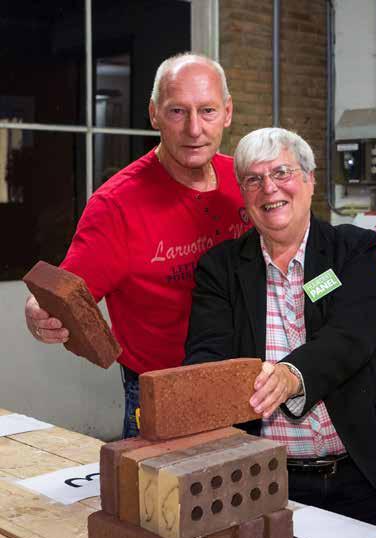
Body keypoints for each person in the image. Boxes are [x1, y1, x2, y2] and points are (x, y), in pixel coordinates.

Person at [185, 128, 376, 532]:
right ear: (243, 194)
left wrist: (290, 375)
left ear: (310, 180)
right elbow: (208, 352)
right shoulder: (219, 269)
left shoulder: (352, 250)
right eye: (254, 179)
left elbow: (355, 333)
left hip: (360, 475)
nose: (269, 188)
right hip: (264, 482)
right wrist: (201, 392)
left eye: (282, 172)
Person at [24, 53, 250, 438]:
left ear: (227, 113)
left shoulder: (248, 180)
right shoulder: (117, 205)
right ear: (154, 114)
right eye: (178, 111)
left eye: (207, 110)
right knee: (157, 499)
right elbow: (69, 287)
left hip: (251, 385)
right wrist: (39, 311)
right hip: (165, 396)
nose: (194, 128)